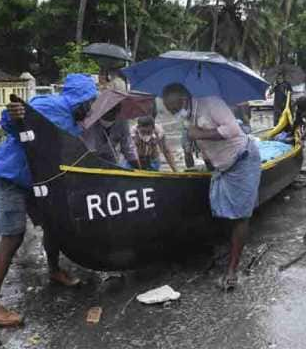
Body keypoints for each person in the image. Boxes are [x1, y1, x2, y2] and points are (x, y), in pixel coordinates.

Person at [0, 74, 97, 327]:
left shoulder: (75, 123)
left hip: (37, 180)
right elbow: (11, 122)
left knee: (53, 223)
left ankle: (54, 270)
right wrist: (15, 113)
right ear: (80, 99)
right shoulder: (49, 104)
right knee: (13, 236)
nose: (91, 108)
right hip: (10, 175)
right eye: (89, 102)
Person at [162, 83, 261, 290]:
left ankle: (232, 269)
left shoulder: (210, 102)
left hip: (243, 161)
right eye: (169, 111)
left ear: (182, 101)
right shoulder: (187, 115)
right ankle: (228, 251)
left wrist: (199, 134)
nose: (173, 114)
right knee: (221, 211)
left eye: (173, 109)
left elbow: (233, 129)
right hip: (222, 167)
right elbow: (199, 146)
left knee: (240, 216)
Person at [80, 102, 140, 168]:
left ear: (117, 114)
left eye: (111, 117)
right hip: (89, 156)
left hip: (110, 156)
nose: (107, 121)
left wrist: (135, 163)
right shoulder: (90, 120)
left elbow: (127, 145)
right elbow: (88, 145)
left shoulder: (122, 122)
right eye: (105, 117)